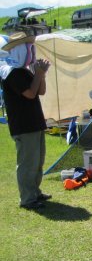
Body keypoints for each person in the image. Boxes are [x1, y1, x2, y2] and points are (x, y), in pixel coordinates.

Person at [0, 32, 51, 210]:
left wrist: (41, 74)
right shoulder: (11, 73)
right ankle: (27, 199)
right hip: (24, 126)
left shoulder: (25, 71)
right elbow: (29, 94)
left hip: (35, 123)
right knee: (27, 163)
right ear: (18, 51)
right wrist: (38, 74)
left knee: (37, 162)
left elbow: (40, 91)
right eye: (28, 48)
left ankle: (35, 192)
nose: (32, 51)